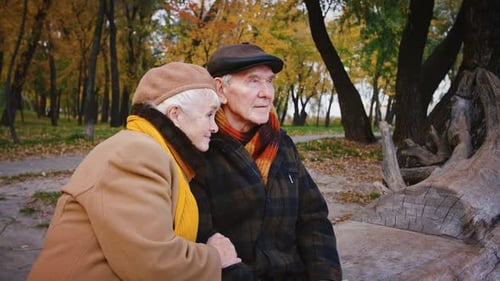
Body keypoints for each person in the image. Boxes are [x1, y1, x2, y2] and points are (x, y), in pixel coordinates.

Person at [27, 62, 241, 281]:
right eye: (209, 115)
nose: (215, 127)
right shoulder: (137, 153)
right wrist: (216, 258)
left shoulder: (159, 154)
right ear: (175, 114)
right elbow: (153, 265)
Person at [191, 43, 342, 281]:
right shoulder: (201, 150)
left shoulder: (282, 144)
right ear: (221, 90)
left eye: (269, 81)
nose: (267, 93)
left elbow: (313, 219)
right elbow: (201, 240)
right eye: (253, 81)